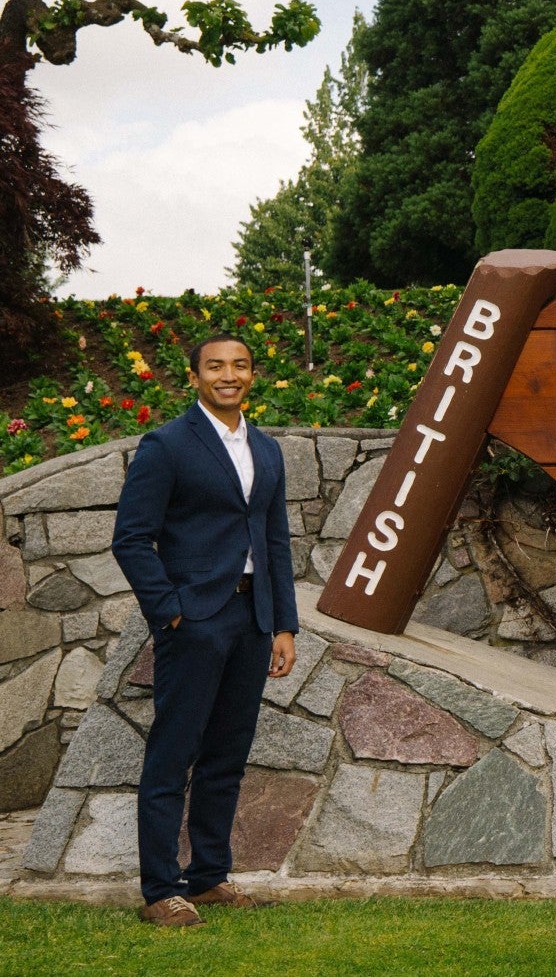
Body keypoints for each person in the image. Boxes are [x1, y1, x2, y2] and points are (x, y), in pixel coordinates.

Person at [111, 333, 297, 926]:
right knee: (174, 754)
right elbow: (132, 539)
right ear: (194, 376)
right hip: (194, 619)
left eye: (240, 365)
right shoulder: (166, 445)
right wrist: (170, 610)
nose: (229, 375)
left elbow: (274, 541)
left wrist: (283, 624)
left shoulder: (265, 449)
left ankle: (210, 877)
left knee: (227, 755)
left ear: (252, 376)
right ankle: (160, 889)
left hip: (252, 619)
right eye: (215, 366)